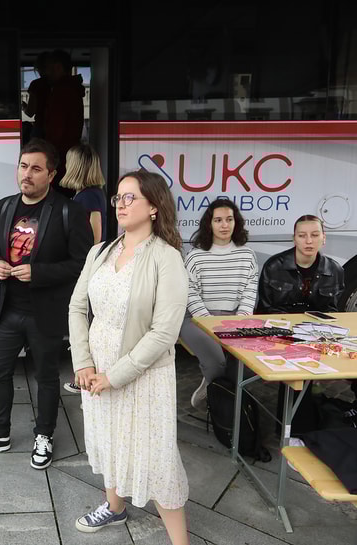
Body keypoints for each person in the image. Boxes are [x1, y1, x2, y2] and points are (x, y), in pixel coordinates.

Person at [68, 170, 190, 543]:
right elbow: (77, 307)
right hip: (97, 368)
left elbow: (164, 332)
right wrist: (83, 363)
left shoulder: (167, 258)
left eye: (129, 198)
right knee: (108, 440)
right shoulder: (100, 251)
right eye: (117, 198)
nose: (120, 204)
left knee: (156, 455)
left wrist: (115, 375)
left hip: (143, 373)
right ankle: (115, 508)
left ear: (153, 206)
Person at [0, 138, 92, 469]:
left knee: (46, 376)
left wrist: (39, 272)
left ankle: (44, 435)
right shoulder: (4, 207)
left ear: (52, 174)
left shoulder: (69, 211)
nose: (27, 174)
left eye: (36, 168)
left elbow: (82, 263)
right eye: (23, 166)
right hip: (10, 309)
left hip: (45, 312)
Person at [256, 215, 351, 435]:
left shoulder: (334, 270)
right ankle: (294, 432)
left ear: (323, 239)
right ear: (294, 239)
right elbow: (266, 309)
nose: (309, 241)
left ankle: (326, 422)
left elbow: (332, 312)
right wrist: (295, 331)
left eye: (315, 235)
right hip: (280, 334)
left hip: (316, 335)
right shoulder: (274, 266)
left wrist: (314, 334)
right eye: (302, 235)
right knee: (298, 365)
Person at [180, 199, 258, 408]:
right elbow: (190, 293)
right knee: (217, 362)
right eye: (218, 220)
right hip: (195, 319)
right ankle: (215, 390)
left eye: (229, 219)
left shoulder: (247, 255)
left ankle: (222, 399)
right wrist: (208, 321)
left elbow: (250, 292)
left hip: (233, 317)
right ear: (209, 224)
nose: (224, 225)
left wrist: (239, 320)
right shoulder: (195, 256)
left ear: (236, 222)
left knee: (245, 362)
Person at [60, 143, 108, 395]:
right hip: (90, 264)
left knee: (84, 320)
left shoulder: (87, 197)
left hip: (88, 266)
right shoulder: (92, 193)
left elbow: (96, 234)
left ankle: (84, 378)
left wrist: (89, 265)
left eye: (69, 162)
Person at [43, 49, 85, 196]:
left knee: (58, 197)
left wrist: (48, 155)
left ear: (58, 67)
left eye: (48, 68)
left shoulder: (62, 91)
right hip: (70, 154)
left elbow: (56, 129)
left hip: (60, 156)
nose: (45, 73)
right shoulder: (73, 89)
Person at [22, 51, 52, 143]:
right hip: (57, 127)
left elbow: (30, 112)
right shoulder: (59, 84)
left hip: (40, 128)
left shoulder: (36, 85)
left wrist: (24, 107)